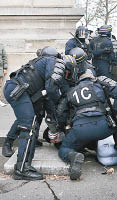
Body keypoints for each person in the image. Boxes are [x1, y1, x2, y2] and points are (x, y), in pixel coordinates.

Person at [58, 59, 117, 180]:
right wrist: (114, 112)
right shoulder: (100, 82)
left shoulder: (71, 91)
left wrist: (64, 128)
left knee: (64, 149)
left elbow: (60, 113)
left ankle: (74, 156)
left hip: (80, 130)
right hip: (104, 127)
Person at [3, 46, 69, 180]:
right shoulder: (56, 62)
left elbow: (47, 96)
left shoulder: (41, 63)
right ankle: (21, 170)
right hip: (19, 90)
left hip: (19, 89)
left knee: (32, 120)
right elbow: (51, 90)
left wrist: (52, 114)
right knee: (28, 126)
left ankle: (24, 163)